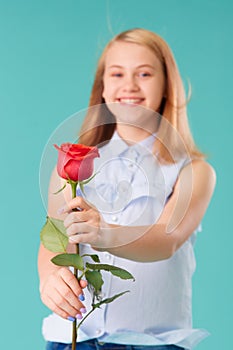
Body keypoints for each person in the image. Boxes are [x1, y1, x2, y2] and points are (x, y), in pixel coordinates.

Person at [38, 28, 216, 350]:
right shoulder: (72, 164)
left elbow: (167, 238)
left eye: (145, 73)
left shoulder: (193, 172)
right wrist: (49, 279)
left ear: (166, 87)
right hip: (72, 340)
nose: (129, 85)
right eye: (117, 73)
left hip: (152, 343)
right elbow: (56, 234)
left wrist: (105, 234)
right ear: (103, 88)